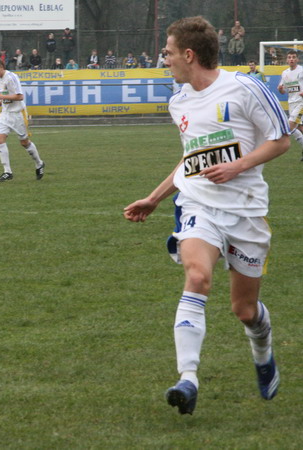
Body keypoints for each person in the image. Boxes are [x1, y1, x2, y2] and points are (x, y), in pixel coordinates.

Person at [124, 16, 288, 416]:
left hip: (246, 211)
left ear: (189, 54)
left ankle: (263, 353)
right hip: (199, 205)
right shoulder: (178, 101)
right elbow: (190, 159)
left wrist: (237, 166)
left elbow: (280, 140)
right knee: (197, 277)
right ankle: (188, 378)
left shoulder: (245, 87)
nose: (165, 59)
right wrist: (156, 197)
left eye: (168, 52)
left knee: (244, 311)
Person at [0, 57, 45, 182]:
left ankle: (39, 163)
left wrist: (1, 96)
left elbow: (20, 96)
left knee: (24, 142)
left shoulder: (11, 77)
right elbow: (7, 93)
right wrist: (0, 101)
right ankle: (7, 172)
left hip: (18, 114)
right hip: (5, 113)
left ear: (2, 67)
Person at [277, 49, 303, 158]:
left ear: (297, 59)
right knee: (299, 128)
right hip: (291, 103)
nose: (291, 59)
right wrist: (280, 89)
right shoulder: (285, 73)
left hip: (301, 103)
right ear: (286, 60)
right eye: (289, 57)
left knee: (290, 126)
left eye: (293, 57)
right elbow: (283, 91)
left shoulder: (301, 70)